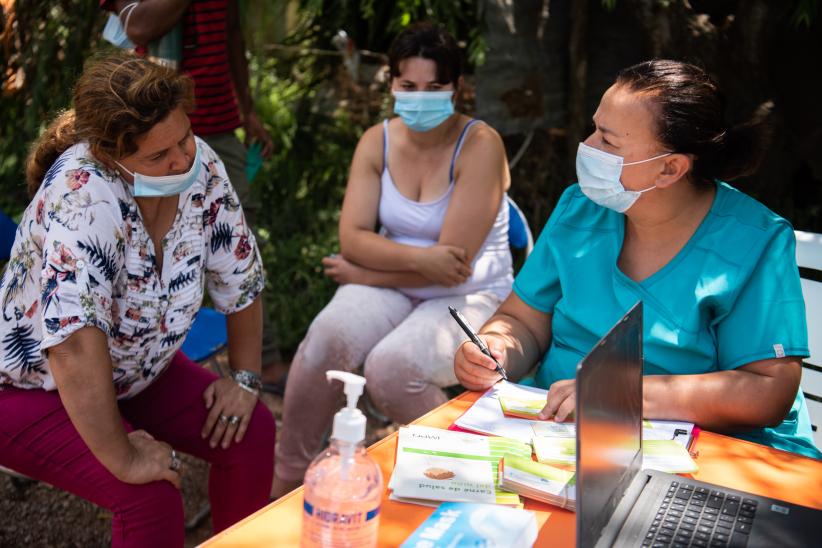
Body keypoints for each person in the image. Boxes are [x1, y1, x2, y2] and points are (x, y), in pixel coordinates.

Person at [455, 59, 821, 459]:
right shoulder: (580, 208)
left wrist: (618, 394)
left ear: (670, 168)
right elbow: (524, 319)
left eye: (608, 142)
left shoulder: (754, 241)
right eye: (594, 129)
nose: (588, 147)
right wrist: (496, 348)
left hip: (706, 455)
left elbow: (767, 390)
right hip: (554, 438)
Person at [0, 54, 274, 546]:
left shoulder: (201, 167)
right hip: (29, 388)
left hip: (136, 373)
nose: (183, 159)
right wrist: (123, 456)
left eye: (185, 137)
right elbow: (73, 348)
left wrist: (246, 379)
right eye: (158, 156)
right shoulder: (82, 195)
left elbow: (241, 275)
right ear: (109, 156)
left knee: (249, 430)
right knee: (149, 495)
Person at [272, 22, 515, 496]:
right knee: (325, 340)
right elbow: (353, 240)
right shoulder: (376, 140)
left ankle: (465, 480)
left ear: (457, 88)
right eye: (408, 87)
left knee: (392, 368)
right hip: (395, 285)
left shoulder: (481, 144)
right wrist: (398, 261)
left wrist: (365, 268)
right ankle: (284, 480)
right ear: (391, 84)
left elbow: (454, 265)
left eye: (434, 87)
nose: (420, 97)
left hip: (469, 294)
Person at [101, 0, 280, 369]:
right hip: (151, 136)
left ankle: (261, 359)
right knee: (153, 242)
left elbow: (232, 34)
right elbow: (138, 27)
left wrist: (247, 111)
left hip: (219, 123)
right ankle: (151, 357)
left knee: (239, 241)